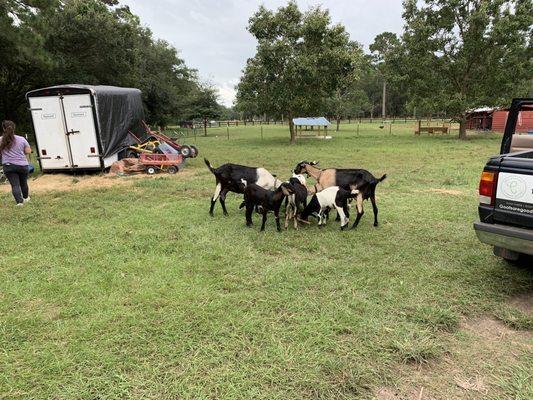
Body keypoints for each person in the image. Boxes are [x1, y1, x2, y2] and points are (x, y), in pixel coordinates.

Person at [0, 120, 32, 206]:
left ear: (3, 129)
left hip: (8, 166)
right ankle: (26, 198)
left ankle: (19, 203)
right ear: (14, 128)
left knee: (15, 185)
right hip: (22, 165)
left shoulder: (0, 140)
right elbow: (28, 151)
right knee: (24, 183)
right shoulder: (21, 139)